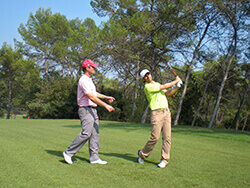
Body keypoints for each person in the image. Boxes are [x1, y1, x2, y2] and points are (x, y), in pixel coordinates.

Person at [63, 59, 115, 165]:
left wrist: (106, 97)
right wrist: (105, 105)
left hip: (92, 109)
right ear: (87, 68)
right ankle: (68, 152)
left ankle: (94, 157)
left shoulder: (89, 80)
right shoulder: (83, 80)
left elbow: (94, 93)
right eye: (93, 67)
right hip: (85, 109)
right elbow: (90, 96)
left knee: (95, 133)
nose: (95, 69)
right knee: (86, 133)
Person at [138, 69, 182, 168]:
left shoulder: (156, 83)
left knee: (167, 138)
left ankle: (164, 160)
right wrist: (176, 81)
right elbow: (165, 86)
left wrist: (177, 87)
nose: (148, 76)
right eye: (145, 76)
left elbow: (168, 94)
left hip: (166, 112)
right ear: (143, 79)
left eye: (148, 74)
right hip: (156, 113)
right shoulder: (148, 87)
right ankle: (142, 154)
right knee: (155, 137)